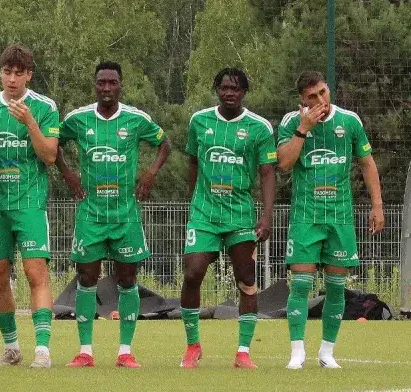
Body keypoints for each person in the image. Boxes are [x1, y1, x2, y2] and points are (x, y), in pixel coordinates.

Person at [57, 61, 170, 368]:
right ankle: (85, 351)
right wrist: (67, 173)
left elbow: (165, 144)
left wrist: (150, 173)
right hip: (90, 214)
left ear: (120, 86)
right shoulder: (78, 119)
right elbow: (53, 144)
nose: (106, 88)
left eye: (112, 82)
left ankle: (125, 351)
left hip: (125, 214)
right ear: (95, 85)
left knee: (128, 279)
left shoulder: (136, 119)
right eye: (101, 82)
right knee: (86, 278)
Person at [276, 71, 384, 369]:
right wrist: (303, 128)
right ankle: (297, 352)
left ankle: (326, 352)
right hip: (306, 216)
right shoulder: (290, 122)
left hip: (340, 217)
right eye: (312, 97)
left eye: (323, 92)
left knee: (336, 287)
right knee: (301, 285)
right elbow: (284, 163)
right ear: (302, 100)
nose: (320, 100)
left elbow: (367, 163)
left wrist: (377, 206)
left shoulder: (349, 121)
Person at [179, 69, 276, 369]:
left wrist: (266, 216)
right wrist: (193, 201)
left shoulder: (259, 127)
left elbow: (267, 172)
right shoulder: (199, 121)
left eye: (235, 88)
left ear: (244, 92)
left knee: (246, 279)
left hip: (240, 216)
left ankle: (243, 351)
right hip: (204, 214)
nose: (229, 93)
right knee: (193, 273)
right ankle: (193, 346)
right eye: (224, 88)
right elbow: (193, 162)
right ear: (216, 89)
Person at [0, 45, 61, 368]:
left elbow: (49, 156)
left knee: (35, 270)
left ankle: (43, 349)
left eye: (18, 73)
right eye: (6, 72)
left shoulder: (44, 107)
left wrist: (29, 123)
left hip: (29, 204)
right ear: (0, 74)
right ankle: (11, 348)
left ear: (29, 75)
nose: (12, 79)